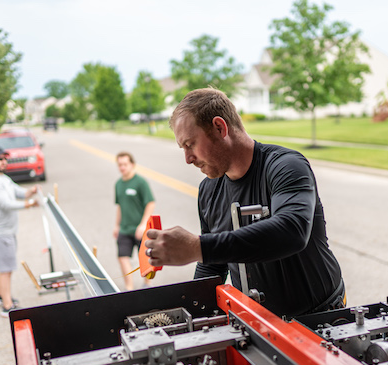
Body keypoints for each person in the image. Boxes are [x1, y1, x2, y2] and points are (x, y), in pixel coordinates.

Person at [144, 88, 344, 317]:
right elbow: (213, 265)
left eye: (190, 144)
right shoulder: (209, 190)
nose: (188, 159)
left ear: (220, 128)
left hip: (320, 317)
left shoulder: (285, 166)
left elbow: (292, 230)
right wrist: (190, 311)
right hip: (254, 324)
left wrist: (197, 247)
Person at [0, 146, 39, 316]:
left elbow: (18, 192)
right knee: (6, 269)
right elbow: (6, 204)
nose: (4, 162)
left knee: (7, 267)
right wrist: (29, 204)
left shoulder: (3, 178)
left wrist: (30, 192)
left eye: (5, 159)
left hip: (8, 231)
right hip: (1, 232)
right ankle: (7, 306)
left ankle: (0, 295)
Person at [113, 151, 156, 290]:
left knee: (145, 259)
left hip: (140, 228)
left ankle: (147, 284)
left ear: (132, 165)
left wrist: (143, 224)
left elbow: (150, 203)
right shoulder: (118, 184)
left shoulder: (140, 182)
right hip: (125, 228)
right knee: (122, 257)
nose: (122, 167)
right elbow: (120, 206)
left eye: (125, 164)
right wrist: (116, 225)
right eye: (120, 165)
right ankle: (129, 288)